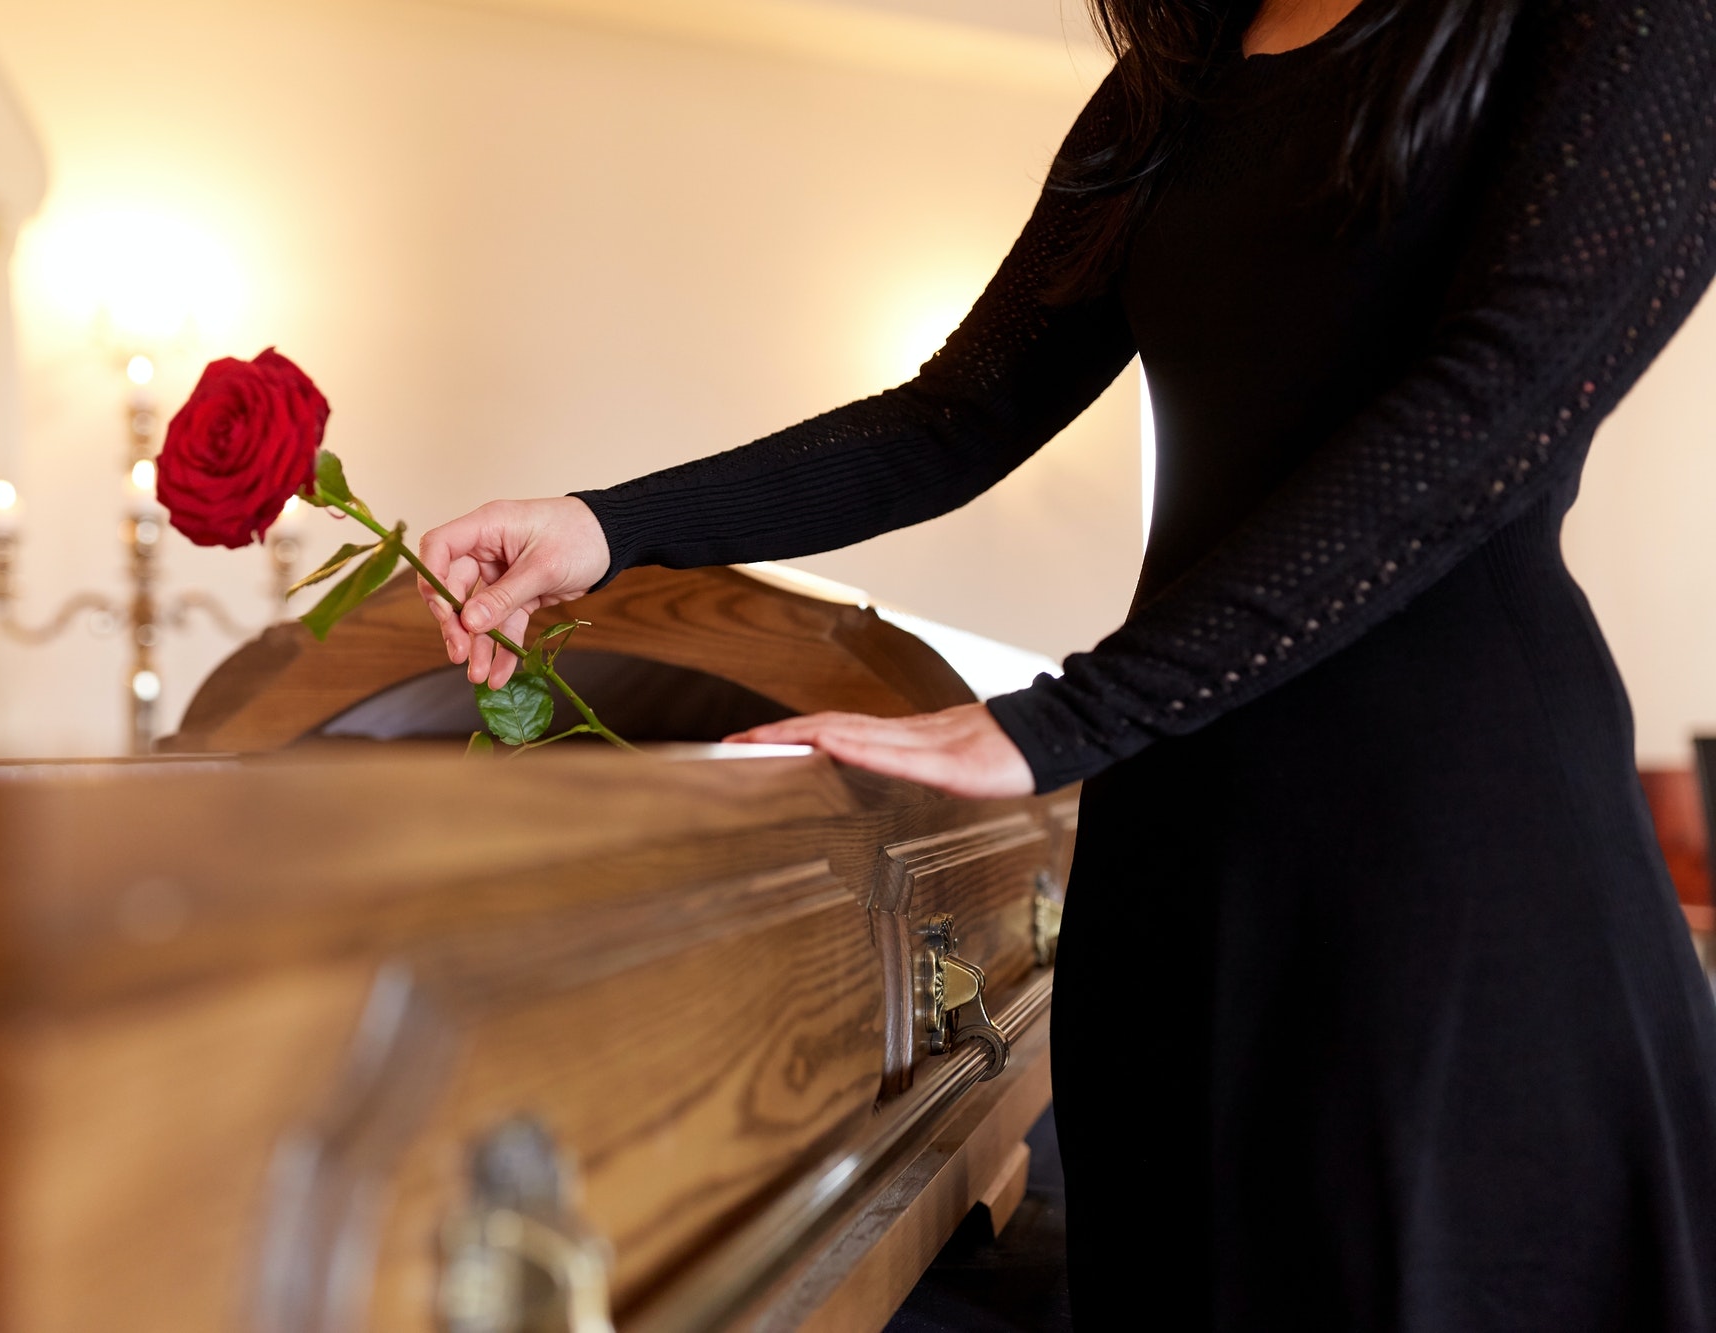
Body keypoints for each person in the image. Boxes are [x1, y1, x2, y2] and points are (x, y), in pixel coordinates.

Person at [415, 0, 1716, 1324]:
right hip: (1178, 853)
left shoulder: (1604, 23)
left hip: (1457, 865)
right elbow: (958, 411)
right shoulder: (1180, 80)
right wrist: (607, 526)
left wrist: (1064, 714)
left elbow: (1491, 406)